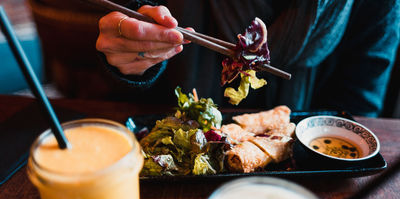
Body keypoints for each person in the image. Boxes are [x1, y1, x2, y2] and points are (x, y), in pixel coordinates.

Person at [96, 0, 400, 117]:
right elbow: (122, 92)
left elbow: (357, 114)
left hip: (308, 186)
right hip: (170, 175)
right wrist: (134, 57)